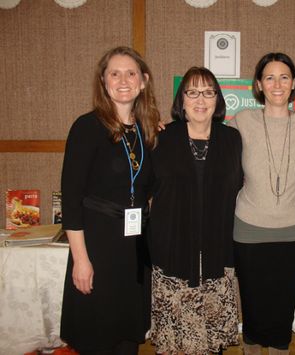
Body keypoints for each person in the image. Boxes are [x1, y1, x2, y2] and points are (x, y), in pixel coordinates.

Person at [60, 46, 161, 355]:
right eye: (114, 74)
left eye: (130, 73)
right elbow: (71, 198)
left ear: (143, 81)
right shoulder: (86, 127)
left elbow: (154, 187)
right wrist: (81, 259)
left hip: (133, 247)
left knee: (127, 335)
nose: (123, 80)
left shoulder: (149, 132)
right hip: (97, 245)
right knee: (97, 335)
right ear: (103, 81)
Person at [227, 53, 295, 355]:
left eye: (284, 77)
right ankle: (250, 349)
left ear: (293, 83)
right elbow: (206, 136)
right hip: (249, 229)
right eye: (269, 77)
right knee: (252, 304)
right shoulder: (242, 120)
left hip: (292, 231)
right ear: (258, 84)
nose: (277, 84)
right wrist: (169, 129)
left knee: (283, 302)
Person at [147, 67, 243, 354]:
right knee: (176, 342)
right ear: (182, 99)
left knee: (213, 343)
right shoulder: (161, 138)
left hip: (217, 250)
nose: (200, 99)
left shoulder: (232, 140)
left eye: (208, 92)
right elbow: (143, 192)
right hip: (172, 251)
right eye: (192, 92)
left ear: (217, 99)